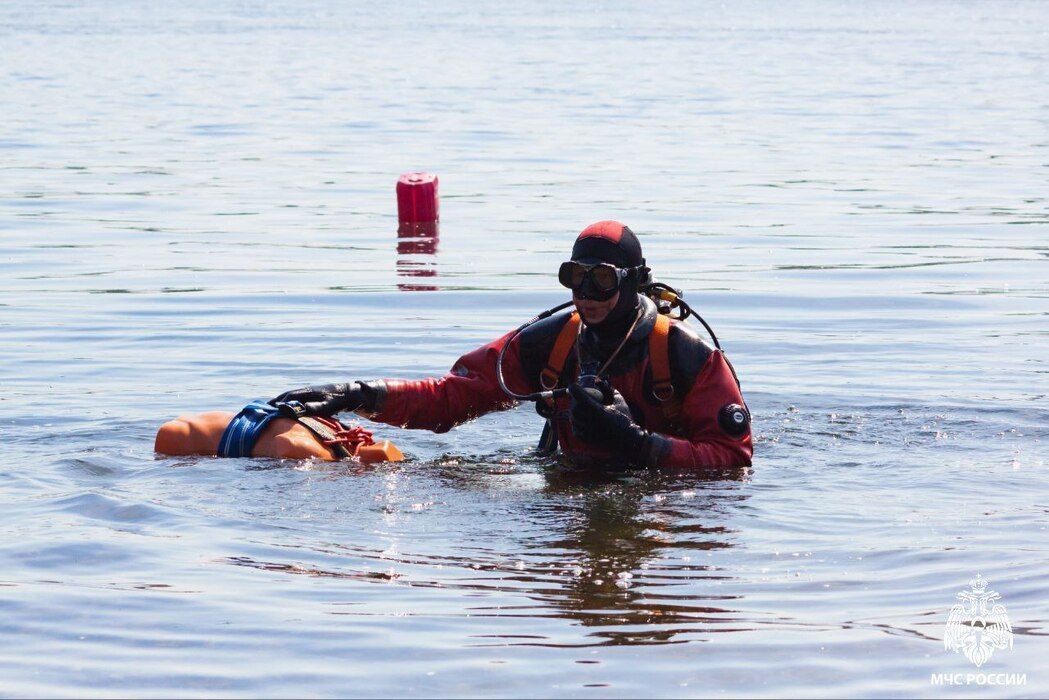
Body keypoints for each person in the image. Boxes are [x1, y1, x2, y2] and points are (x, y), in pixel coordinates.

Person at [272, 221, 752, 469]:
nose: (586, 294)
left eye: (603, 280)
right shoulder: (551, 344)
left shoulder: (687, 357)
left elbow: (732, 460)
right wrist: (360, 394)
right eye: (575, 277)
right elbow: (450, 399)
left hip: (658, 501)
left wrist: (638, 444)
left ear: (632, 281)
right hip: (567, 481)